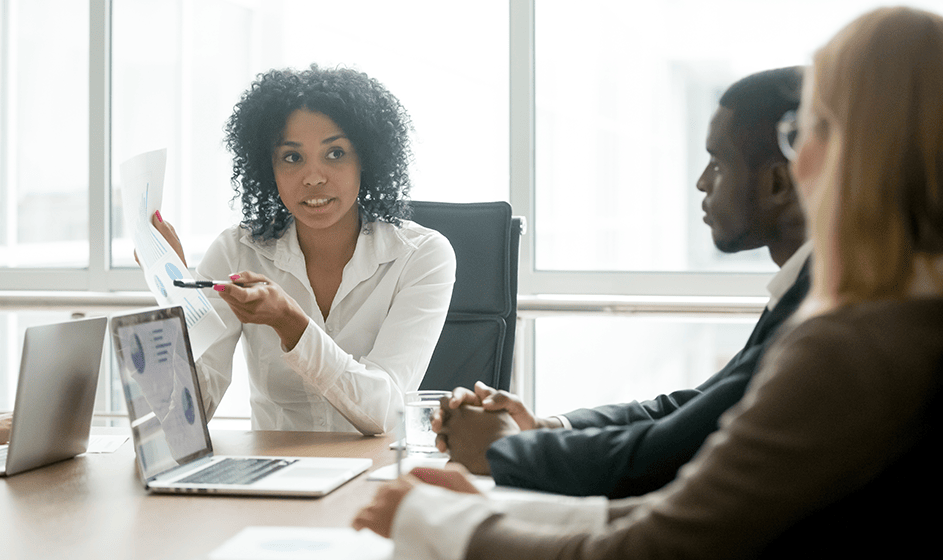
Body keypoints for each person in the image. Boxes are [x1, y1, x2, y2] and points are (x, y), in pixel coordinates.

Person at [353, 6, 943, 557]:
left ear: (852, 150)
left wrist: (436, 519)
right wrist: (506, 501)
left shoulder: (854, 343)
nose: (799, 158)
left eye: (803, 130)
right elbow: (706, 498)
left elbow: (659, 544)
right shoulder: (903, 319)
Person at [433, 66, 809, 498]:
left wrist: (508, 449)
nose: (702, 181)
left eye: (719, 162)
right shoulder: (801, 287)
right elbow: (694, 408)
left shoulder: (819, 307)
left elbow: (667, 453)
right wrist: (548, 427)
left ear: (778, 182)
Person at [153, 66, 456, 435]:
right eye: (292, 158)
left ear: (367, 159)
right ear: (270, 168)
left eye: (335, 153)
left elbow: (383, 411)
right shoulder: (237, 251)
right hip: (273, 476)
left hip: (375, 477)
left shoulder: (421, 256)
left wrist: (291, 324)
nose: (313, 176)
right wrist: (177, 293)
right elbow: (184, 416)